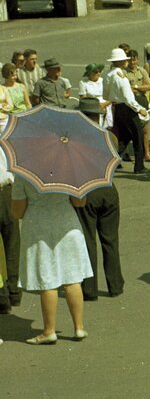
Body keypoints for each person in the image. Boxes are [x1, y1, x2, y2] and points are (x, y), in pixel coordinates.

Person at [11, 176, 91, 343]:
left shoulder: (24, 174)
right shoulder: (68, 168)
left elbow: (17, 211)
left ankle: (49, 331)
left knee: (47, 277)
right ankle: (79, 327)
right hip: (67, 223)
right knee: (73, 276)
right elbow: (79, 202)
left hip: (38, 225)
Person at [75, 96, 124, 301]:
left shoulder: (74, 140)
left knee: (88, 240)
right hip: (109, 189)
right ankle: (115, 284)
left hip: (87, 189)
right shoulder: (109, 137)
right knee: (110, 239)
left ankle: (89, 288)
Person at [104, 47, 149, 174]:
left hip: (117, 108)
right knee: (137, 136)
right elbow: (128, 97)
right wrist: (140, 109)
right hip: (127, 108)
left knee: (124, 137)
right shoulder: (121, 76)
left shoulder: (109, 74)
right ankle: (139, 166)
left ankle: (112, 160)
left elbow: (106, 94)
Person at [0, 145, 20, 314]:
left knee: (10, 243)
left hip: (7, 190)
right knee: (12, 243)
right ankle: (13, 291)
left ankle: (4, 296)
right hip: (7, 190)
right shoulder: (10, 133)